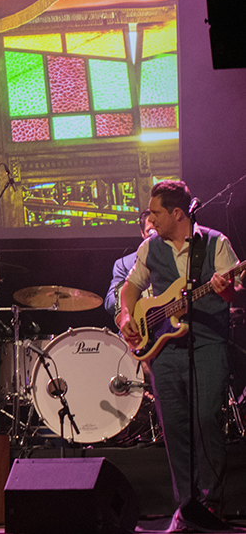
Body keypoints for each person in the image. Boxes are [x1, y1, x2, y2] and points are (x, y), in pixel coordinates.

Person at [118, 181, 241, 528]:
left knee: (205, 420)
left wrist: (226, 288)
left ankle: (210, 504)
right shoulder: (149, 248)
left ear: (176, 213)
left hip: (207, 343)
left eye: (156, 212)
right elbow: (131, 287)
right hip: (164, 351)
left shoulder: (215, 244)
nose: (150, 219)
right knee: (174, 429)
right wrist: (128, 316)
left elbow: (233, 295)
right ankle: (186, 508)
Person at [104, 209, 155, 317]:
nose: (155, 236)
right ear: (142, 234)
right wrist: (136, 293)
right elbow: (110, 302)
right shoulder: (123, 263)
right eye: (150, 232)